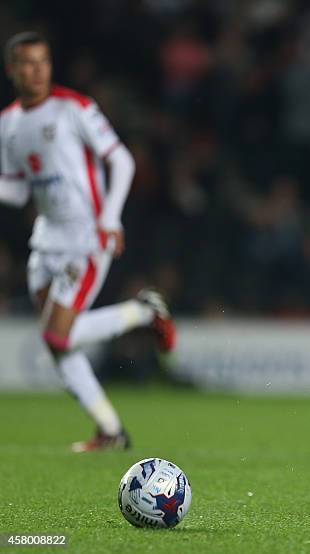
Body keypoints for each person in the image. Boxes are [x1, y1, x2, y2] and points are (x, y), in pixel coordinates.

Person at [0, 32, 176, 452]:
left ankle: (143, 312)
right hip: (45, 240)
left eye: (43, 61)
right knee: (61, 345)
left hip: (86, 236)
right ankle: (110, 431)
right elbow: (19, 191)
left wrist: (110, 217)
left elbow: (122, 159)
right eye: (27, 63)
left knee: (57, 337)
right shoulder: (7, 124)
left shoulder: (73, 108)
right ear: (12, 70)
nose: (37, 70)